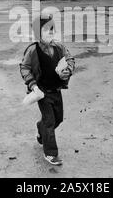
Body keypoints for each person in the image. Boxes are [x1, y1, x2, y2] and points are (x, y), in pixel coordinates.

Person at [20, 15, 75, 165]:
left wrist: (68, 70)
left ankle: (40, 128)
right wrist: (32, 84)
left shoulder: (59, 47)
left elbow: (70, 59)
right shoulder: (33, 50)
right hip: (42, 92)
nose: (51, 32)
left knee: (58, 119)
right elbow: (24, 67)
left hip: (56, 90)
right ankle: (51, 153)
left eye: (52, 28)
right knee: (50, 121)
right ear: (38, 33)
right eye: (46, 29)